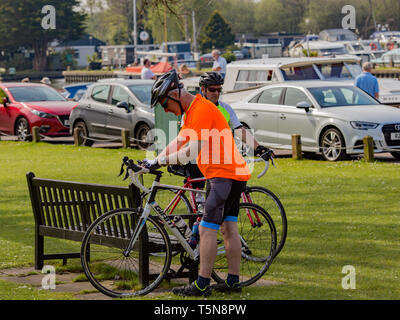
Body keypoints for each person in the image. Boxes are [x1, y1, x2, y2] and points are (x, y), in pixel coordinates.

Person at [143, 69, 251, 296]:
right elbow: (179, 141)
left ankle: (202, 284)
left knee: (206, 228)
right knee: (228, 227)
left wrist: (161, 162)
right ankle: (233, 281)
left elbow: (190, 151)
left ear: (174, 94)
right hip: (229, 174)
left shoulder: (201, 110)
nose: (164, 110)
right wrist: (155, 158)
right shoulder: (193, 111)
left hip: (223, 175)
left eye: (164, 103)